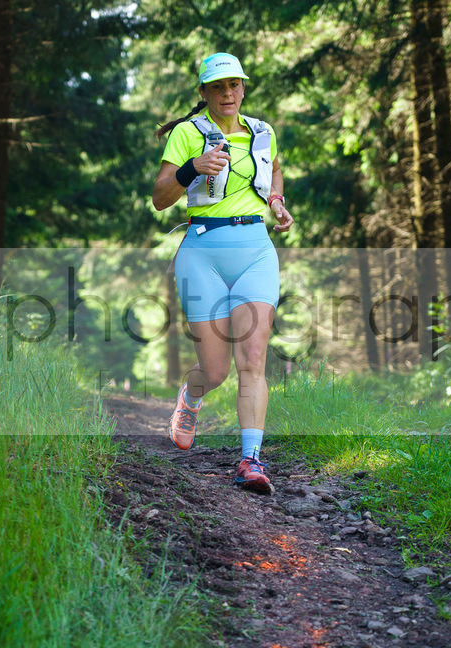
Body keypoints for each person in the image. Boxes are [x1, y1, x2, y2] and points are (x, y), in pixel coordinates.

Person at [152, 52, 294, 494]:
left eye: (234, 84)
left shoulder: (262, 132)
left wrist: (275, 203)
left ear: (243, 87)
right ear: (204, 93)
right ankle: (190, 397)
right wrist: (194, 168)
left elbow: (274, 173)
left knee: (252, 358)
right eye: (218, 86)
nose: (227, 93)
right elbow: (160, 197)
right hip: (202, 251)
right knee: (214, 371)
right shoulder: (187, 134)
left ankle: (250, 460)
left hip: (255, 249)